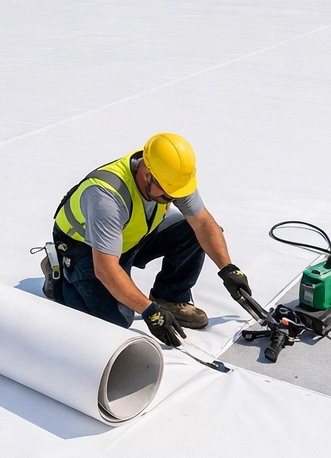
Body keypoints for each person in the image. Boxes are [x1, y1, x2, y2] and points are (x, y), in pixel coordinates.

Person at [43, 133, 250, 347]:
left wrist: (228, 269)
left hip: (127, 237)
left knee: (192, 231)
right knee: (116, 319)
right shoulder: (106, 196)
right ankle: (58, 276)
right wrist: (149, 311)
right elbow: (105, 269)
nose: (173, 197)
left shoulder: (171, 177)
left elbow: (203, 224)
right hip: (83, 248)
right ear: (146, 173)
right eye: (168, 193)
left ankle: (168, 297)